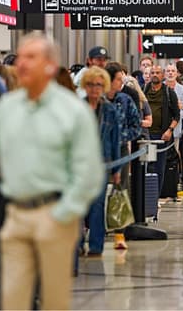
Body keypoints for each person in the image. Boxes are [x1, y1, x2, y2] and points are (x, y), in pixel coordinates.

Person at [0, 32, 104, 310]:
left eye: (31, 57)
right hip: (15, 216)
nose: (22, 64)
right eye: (20, 57)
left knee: (54, 300)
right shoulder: (8, 107)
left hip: (55, 215)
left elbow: (89, 172)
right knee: (13, 300)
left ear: (50, 66)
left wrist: (65, 212)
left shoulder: (72, 112)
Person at [79, 67, 121, 256]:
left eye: (98, 84)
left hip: (102, 163)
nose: (94, 88)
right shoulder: (78, 108)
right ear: (84, 86)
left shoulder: (110, 110)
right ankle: (78, 244)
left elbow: (115, 140)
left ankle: (96, 245)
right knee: (79, 205)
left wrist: (117, 169)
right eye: (90, 84)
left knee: (97, 205)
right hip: (79, 164)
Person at [104, 62, 141, 250]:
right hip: (99, 153)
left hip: (121, 151)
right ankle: (97, 230)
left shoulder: (125, 100)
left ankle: (120, 233)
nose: (122, 82)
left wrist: (120, 137)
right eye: (119, 79)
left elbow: (137, 125)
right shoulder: (98, 100)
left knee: (121, 190)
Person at [144, 66, 180, 196]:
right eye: (152, 73)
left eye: (157, 73)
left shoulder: (169, 93)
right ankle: (146, 196)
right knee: (147, 166)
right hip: (146, 135)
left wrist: (169, 130)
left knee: (159, 167)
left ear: (162, 75)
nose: (154, 75)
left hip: (162, 135)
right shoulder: (144, 90)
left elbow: (177, 115)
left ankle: (156, 196)